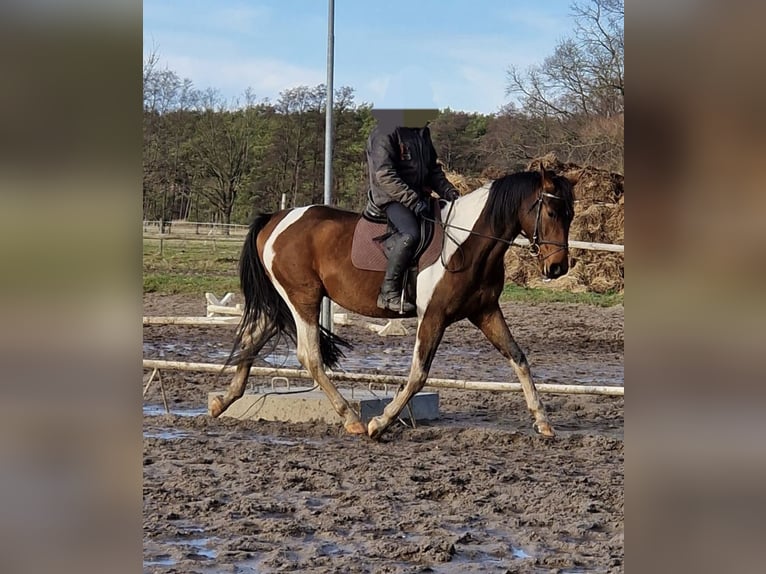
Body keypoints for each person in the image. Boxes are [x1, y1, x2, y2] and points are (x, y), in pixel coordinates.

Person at [366, 109, 461, 313]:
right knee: (410, 234)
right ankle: (388, 292)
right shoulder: (385, 130)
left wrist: (448, 191)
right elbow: (384, 175)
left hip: (420, 196)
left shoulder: (421, 132)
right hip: (392, 197)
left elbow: (433, 170)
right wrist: (413, 200)